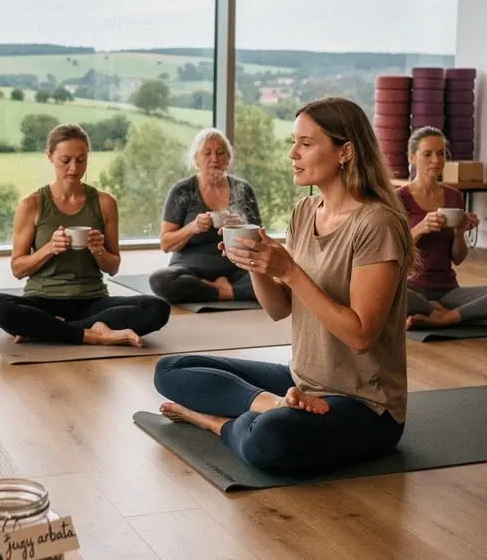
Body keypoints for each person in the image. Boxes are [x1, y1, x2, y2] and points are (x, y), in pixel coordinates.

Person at [154, 98, 413, 474]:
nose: (293, 153)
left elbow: (361, 336)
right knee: (171, 369)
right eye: (293, 142)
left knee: (270, 440)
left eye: (306, 144)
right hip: (302, 380)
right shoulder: (304, 211)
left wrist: (289, 270)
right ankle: (272, 404)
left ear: (346, 151)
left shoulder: (376, 223)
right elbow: (279, 309)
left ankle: (213, 421)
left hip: (365, 404)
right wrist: (256, 265)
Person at [0, 124, 170, 347]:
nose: (74, 168)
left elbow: (113, 267)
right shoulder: (31, 204)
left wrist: (99, 251)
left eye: (81, 160)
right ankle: (94, 333)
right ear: (50, 156)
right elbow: (18, 269)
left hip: (92, 300)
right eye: (65, 160)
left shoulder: (104, 202)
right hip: (42, 300)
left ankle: (48, 329)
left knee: (157, 308)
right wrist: (49, 249)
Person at [149, 128, 261, 304]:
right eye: (207, 153)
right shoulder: (182, 190)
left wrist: (242, 227)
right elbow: (165, 243)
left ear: (229, 159)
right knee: (160, 280)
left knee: (275, 279)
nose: (214, 159)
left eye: (220, 153)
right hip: (190, 268)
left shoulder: (243, 189)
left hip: (237, 268)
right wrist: (192, 227)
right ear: (196, 159)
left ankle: (219, 291)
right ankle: (229, 292)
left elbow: (260, 239)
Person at [397, 126, 483, 329]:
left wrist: (460, 232)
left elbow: (458, 258)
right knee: (383, 290)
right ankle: (442, 312)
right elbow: (394, 251)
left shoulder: (454, 196)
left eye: (441, 153)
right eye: (427, 154)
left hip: (447, 290)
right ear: (412, 158)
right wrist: (420, 228)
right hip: (410, 288)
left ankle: (445, 316)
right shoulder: (399, 198)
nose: (436, 160)